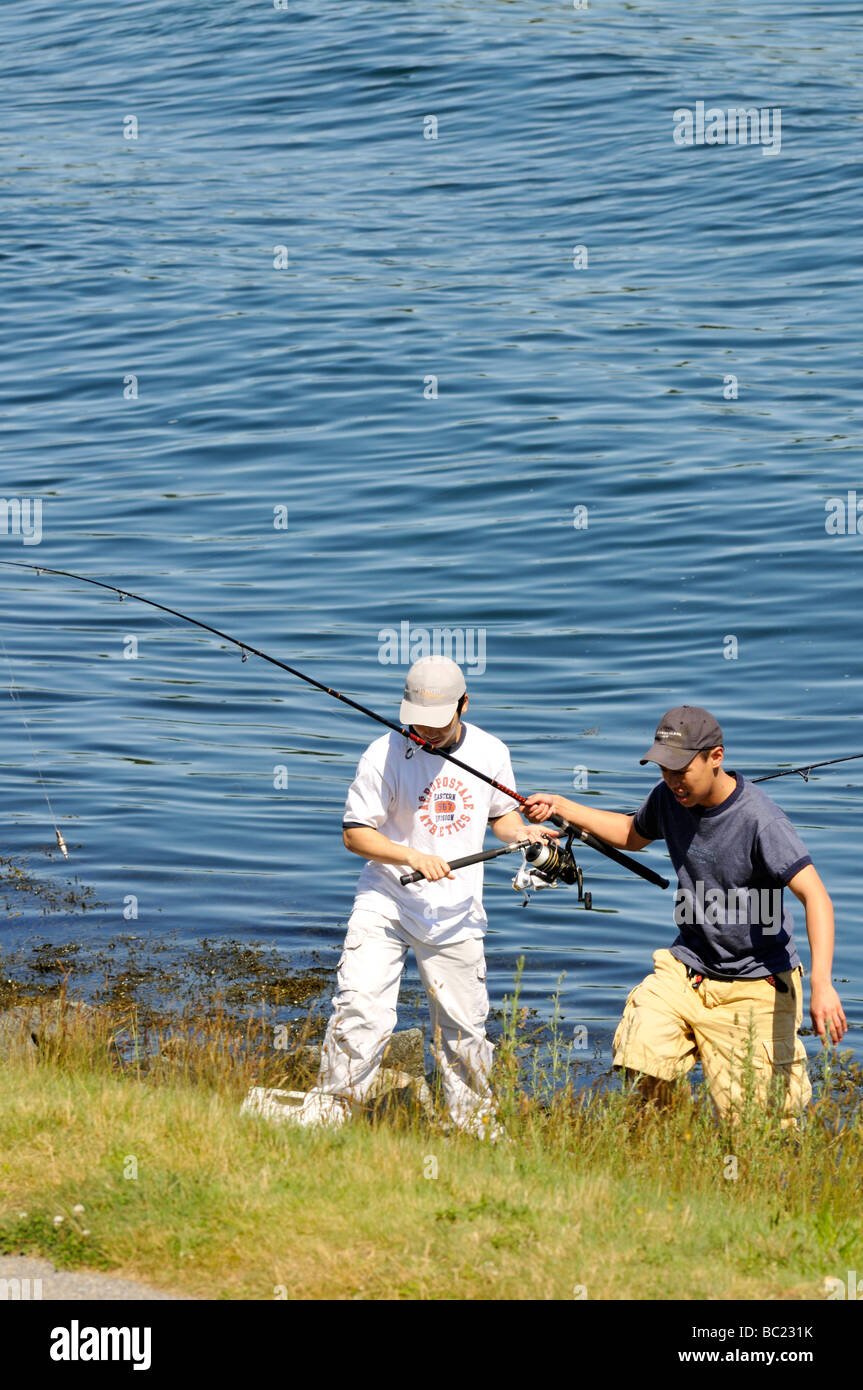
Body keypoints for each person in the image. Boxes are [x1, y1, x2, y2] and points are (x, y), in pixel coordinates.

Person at [525, 706, 847, 1122]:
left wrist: (822, 983)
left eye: (681, 768)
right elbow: (630, 834)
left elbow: (816, 897)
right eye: (664, 768)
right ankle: (671, 1145)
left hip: (758, 983)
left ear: (716, 757)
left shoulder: (762, 822)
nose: (673, 780)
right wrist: (562, 806)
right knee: (641, 1052)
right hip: (689, 969)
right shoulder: (668, 798)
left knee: (756, 1124)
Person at [296, 655, 551, 1133]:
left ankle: (473, 1125)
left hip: (455, 911)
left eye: (437, 724)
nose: (426, 734)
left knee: (463, 1029)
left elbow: (501, 816)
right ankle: (333, 1111)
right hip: (387, 899)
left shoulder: (492, 751)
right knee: (360, 1009)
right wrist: (410, 856)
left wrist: (524, 837)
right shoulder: (383, 753)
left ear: (465, 705)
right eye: (416, 723)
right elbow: (354, 834)